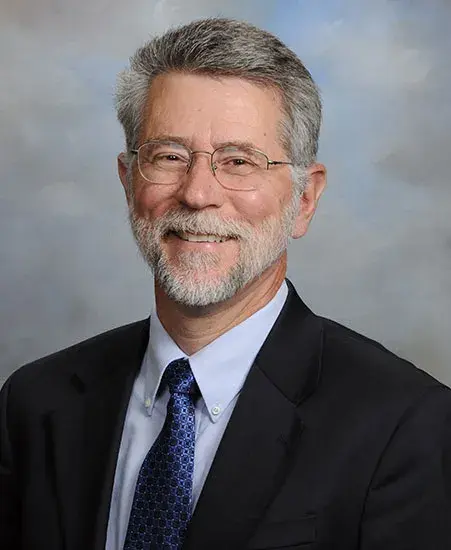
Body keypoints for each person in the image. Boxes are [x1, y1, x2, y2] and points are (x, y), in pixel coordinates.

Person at [1, 17, 451, 550]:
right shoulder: (34, 403)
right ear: (128, 180)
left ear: (305, 199)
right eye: (169, 156)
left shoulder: (404, 425)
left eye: (239, 162)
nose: (197, 194)